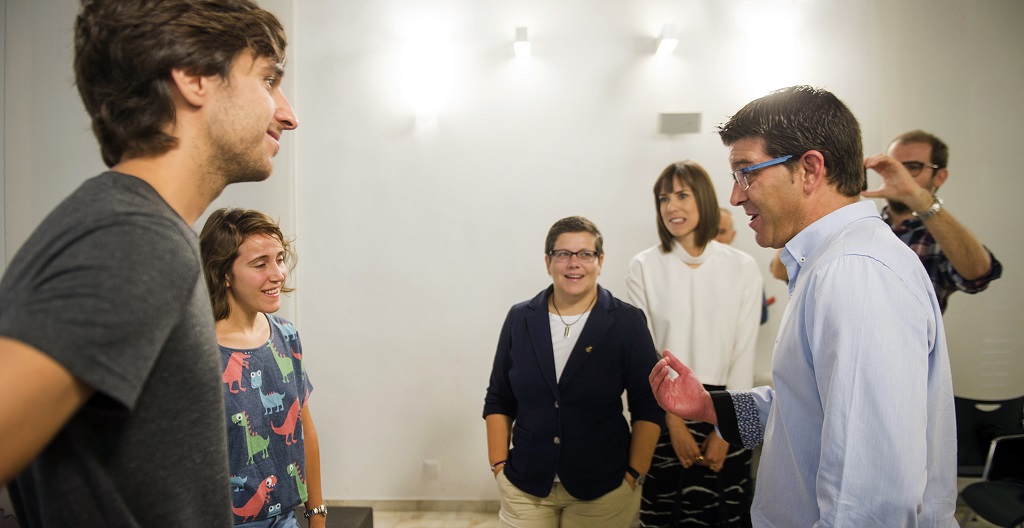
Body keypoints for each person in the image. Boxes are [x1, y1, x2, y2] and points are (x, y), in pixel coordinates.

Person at [0, 0, 298, 525]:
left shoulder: (131, 227)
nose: (288, 114)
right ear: (194, 77)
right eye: (268, 79)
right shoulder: (133, 239)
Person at [649, 86, 957, 527]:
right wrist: (709, 407)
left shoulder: (854, 272)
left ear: (810, 169)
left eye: (745, 173)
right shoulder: (832, 263)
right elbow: (807, 411)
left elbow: (865, 500)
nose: (735, 197)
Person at [484, 216, 664, 528]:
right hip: (526, 486)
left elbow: (648, 404)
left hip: (604, 488)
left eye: (585, 254)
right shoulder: (520, 318)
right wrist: (499, 465)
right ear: (548, 262)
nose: (574, 263)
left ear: (600, 261)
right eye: (563, 254)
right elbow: (499, 397)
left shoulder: (626, 322)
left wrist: (634, 474)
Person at [626, 162, 762, 528]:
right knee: (663, 514)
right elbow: (645, 352)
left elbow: (744, 352)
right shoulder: (644, 266)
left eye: (682, 195)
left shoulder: (742, 266)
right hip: (665, 409)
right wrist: (673, 422)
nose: (671, 206)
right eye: (663, 199)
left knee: (728, 513)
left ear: (702, 198)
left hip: (727, 407)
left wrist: (726, 428)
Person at [200, 208, 325, 528]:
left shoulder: (287, 336)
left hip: (287, 519)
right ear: (224, 273)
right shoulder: (196, 351)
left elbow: (305, 430)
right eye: (260, 264)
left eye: (280, 259)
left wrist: (317, 516)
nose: (278, 273)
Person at [862, 130, 1002, 313]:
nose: (899, 175)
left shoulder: (942, 239)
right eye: (893, 166)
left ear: (940, 177)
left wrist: (919, 199)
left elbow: (978, 274)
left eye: (913, 167)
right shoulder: (865, 226)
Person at [717, 207, 770, 326]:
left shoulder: (746, 267)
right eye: (711, 231)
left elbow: (762, 315)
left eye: (722, 232)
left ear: (732, 235)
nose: (716, 238)